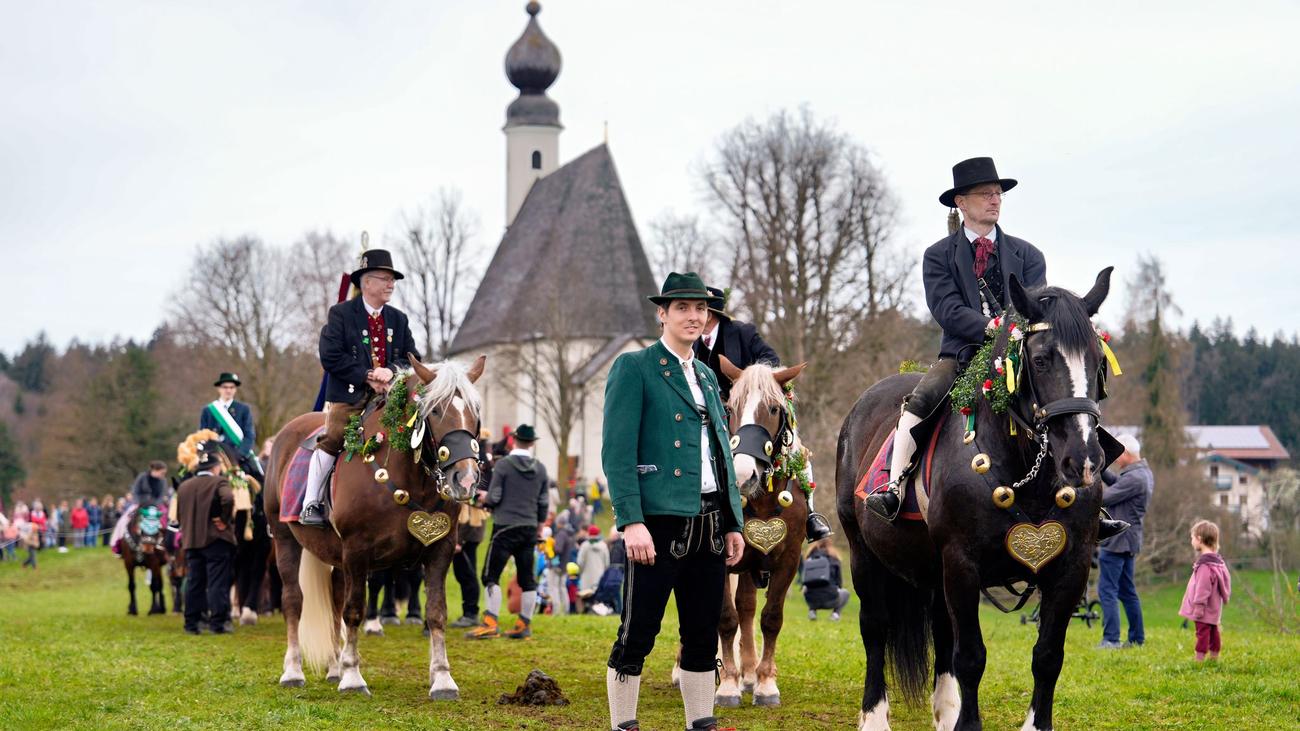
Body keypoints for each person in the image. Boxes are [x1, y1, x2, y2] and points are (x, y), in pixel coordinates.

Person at [603, 272, 746, 731]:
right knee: (638, 632)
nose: (693, 316)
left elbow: (720, 454)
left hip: (709, 521)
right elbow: (617, 452)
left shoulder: (706, 374)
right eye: (682, 308)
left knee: (703, 633)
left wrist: (733, 521)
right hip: (656, 523)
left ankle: (699, 723)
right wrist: (630, 520)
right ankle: (624, 724)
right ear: (662, 314)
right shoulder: (635, 367)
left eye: (701, 309)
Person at [696, 285, 833, 544]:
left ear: (710, 314)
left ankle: (811, 514)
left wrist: (750, 381)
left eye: (700, 310)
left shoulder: (742, 332)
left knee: (799, 453)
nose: (694, 317)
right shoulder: (691, 343)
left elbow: (772, 359)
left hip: (750, 409)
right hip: (710, 413)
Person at [300, 249, 419, 527]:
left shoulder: (398, 319)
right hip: (350, 398)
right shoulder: (341, 314)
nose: (391, 284)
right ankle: (311, 503)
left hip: (390, 397)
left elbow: (412, 357)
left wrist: (390, 370)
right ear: (366, 282)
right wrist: (366, 375)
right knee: (334, 435)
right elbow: (330, 355)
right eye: (385, 278)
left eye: (393, 280)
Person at [467, 424, 550, 639]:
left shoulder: (504, 466)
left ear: (513, 439)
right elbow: (543, 503)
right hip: (530, 528)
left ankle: (490, 622)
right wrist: (539, 527)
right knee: (527, 577)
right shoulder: (540, 469)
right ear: (532, 443)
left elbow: (494, 498)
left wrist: (481, 498)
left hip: (504, 527)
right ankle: (524, 624)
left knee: (490, 575)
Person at [175, 435, 237, 635]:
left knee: (195, 582)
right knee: (217, 582)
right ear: (214, 468)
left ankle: (191, 623)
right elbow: (228, 498)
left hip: (191, 540)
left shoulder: (184, 486)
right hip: (215, 539)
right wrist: (224, 519)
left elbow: (179, 514)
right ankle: (218, 623)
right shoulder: (220, 482)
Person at [1097, 434, 1154, 649]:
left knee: (1107, 591)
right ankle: (1136, 638)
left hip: (1117, 542)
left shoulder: (1135, 478)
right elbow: (1117, 483)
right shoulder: (1141, 473)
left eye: (1118, 455)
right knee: (1127, 591)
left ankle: (1111, 639)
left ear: (1126, 454)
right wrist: (1100, 467)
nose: (1116, 459)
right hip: (1128, 541)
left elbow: (1106, 497)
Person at [449, 437, 494, 629]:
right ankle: (470, 610)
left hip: (469, 523)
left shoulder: (476, 464)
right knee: (465, 570)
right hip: (471, 523)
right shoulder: (481, 461)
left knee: (466, 570)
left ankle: (470, 611)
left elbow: (472, 493)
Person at [1179, 519, 1231, 662]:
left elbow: (1202, 589)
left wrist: (1198, 608)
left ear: (1200, 539)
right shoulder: (1218, 562)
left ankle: (1199, 659)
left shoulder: (1204, 566)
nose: (1191, 541)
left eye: (1192, 538)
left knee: (1202, 633)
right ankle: (1214, 657)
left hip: (1203, 609)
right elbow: (1226, 582)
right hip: (1214, 608)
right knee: (1214, 631)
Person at [199, 372, 260, 479]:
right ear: (219, 389)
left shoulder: (244, 409)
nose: (228, 390)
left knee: (259, 477)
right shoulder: (208, 410)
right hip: (213, 455)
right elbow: (202, 434)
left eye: (232, 387)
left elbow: (249, 435)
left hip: (238, 455)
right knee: (189, 474)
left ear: (235, 389)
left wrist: (239, 454)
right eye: (225, 387)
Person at [801, 538, 850, 621]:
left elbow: (805, 579)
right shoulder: (834, 558)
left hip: (811, 599)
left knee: (809, 588)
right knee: (846, 593)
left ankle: (812, 611)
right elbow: (839, 581)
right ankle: (835, 614)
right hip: (831, 599)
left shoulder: (809, 557)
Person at [576, 524, 610, 613]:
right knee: (597, 596)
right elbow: (607, 563)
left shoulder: (584, 546)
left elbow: (580, 562)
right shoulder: (603, 546)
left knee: (586, 596)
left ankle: (586, 611)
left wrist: (581, 571)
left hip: (586, 576)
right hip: (600, 576)